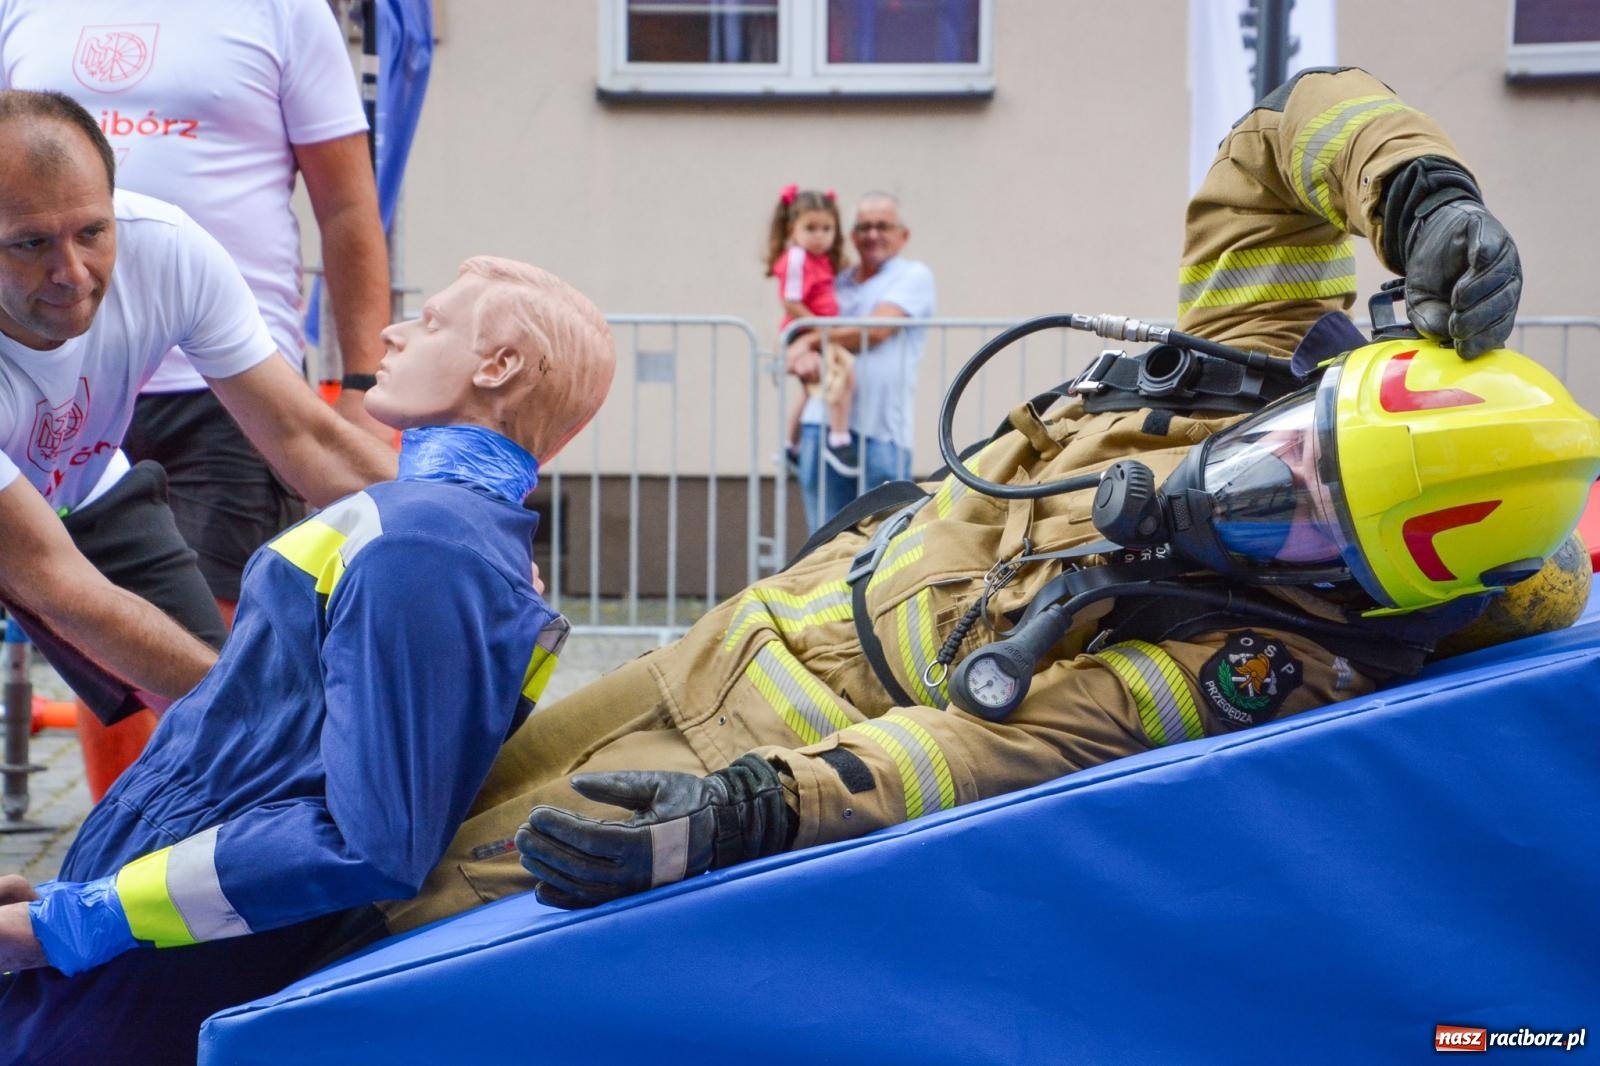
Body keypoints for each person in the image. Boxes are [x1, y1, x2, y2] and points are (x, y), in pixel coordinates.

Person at [370, 67, 1583, 927]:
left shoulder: (1276, 656)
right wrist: (1422, 191)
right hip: (741, 630)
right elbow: (1288, 123)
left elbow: (1001, 746)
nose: (1260, 494)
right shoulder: (1263, 340)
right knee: (395, 809)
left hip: (767, 735)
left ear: (1371, 582)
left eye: (1306, 524)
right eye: (1296, 456)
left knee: (399, 905)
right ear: (1342, 383)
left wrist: (753, 809)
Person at [0, 256, 617, 1066]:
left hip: (183, 942)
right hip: (174, 916)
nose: (392, 334)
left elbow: (371, 841)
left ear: (498, 366)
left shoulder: (431, 544)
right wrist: (69, 902)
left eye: (431, 322)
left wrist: (81, 920)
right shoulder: (434, 531)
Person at [0, 90, 394, 728]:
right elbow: (60, 586)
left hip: (79, 485)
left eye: (93, 232)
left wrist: (472, 533)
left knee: (226, 725)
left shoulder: (166, 248)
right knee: (246, 713)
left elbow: (308, 438)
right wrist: (271, 717)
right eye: (30, 244)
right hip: (34, 540)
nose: (72, 271)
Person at [787, 191, 936, 531]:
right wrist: (801, 351)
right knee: (823, 544)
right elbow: (794, 327)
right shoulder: (835, 279)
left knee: (882, 543)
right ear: (851, 236)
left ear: (903, 235)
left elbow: (877, 330)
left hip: (881, 432)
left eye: (883, 226)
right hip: (821, 424)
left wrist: (811, 340)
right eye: (864, 227)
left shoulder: (913, 275)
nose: (873, 235)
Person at [766, 184, 855, 476]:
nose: (820, 236)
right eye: (811, 228)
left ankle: (789, 446)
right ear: (793, 229)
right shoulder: (796, 258)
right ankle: (839, 440)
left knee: (811, 391)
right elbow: (790, 301)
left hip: (814, 330)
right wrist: (818, 326)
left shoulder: (821, 260)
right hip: (803, 331)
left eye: (827, 229)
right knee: (842, 375)